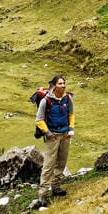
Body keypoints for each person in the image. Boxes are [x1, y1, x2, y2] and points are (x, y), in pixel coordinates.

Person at [34, 75, 74, 204]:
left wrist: (71, 129)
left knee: (61, 162)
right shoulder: (46, 101)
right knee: (48, 165)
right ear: (54, 85)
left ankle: (56, 187)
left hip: (65, 135)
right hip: (53, 137)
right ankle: (43, 193)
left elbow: (71, 114)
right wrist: (48, 133)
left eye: (64, 83)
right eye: (60, 84)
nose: (63, 86)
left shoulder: (68, 98)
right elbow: (39, 120)